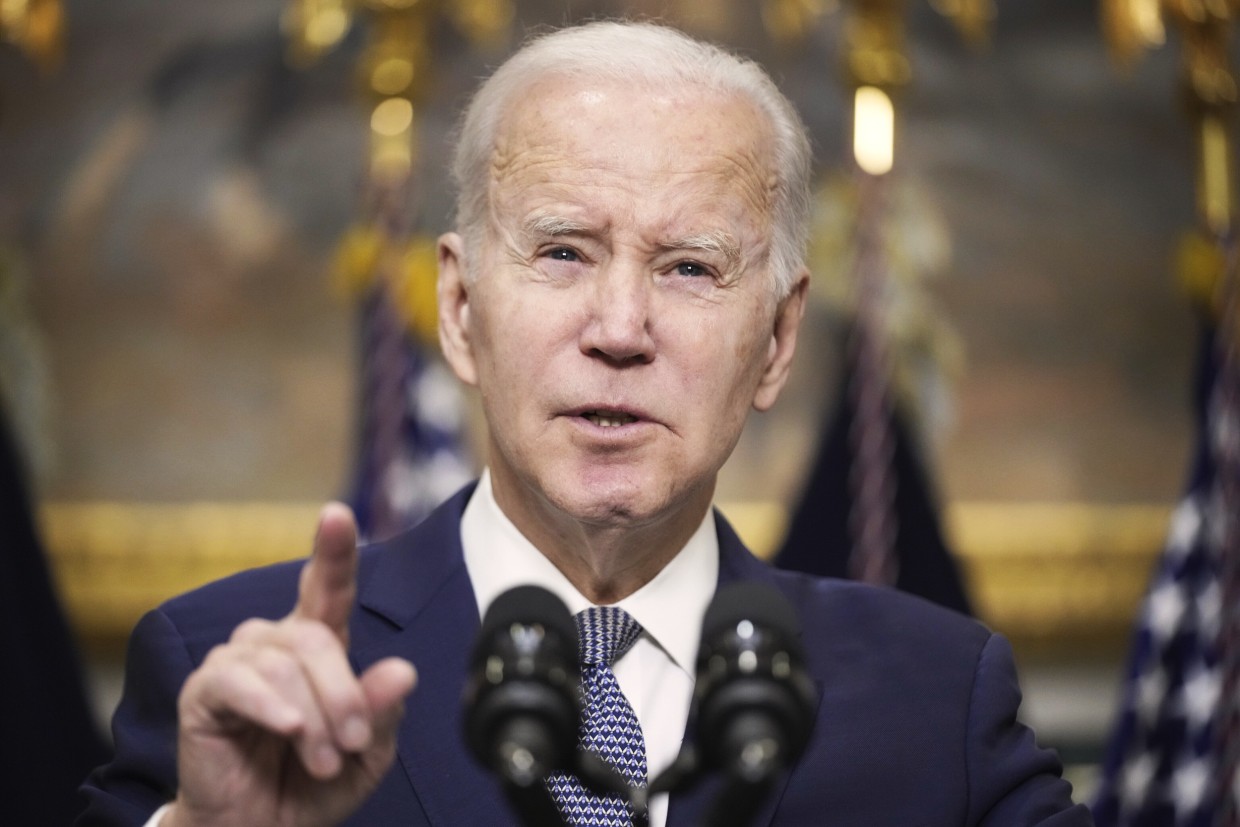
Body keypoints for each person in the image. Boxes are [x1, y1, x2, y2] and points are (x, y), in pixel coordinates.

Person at [78, 20, 1092, 827]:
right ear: (462, 308)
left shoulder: (936, 700)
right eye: (562, 251)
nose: (618, 330)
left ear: (778, 340)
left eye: (689, 266)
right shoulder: (232, 677)